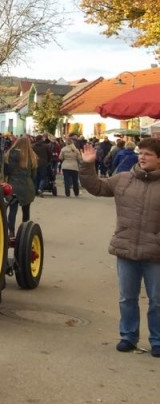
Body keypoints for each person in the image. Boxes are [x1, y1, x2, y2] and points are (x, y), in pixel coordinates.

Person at [78, 137, 160, 357]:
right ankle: (128, 336)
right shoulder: (123, 179)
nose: (142, 156)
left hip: (156, 253)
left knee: (157, 301)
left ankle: (158, 340)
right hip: (126, 248)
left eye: (148, 154)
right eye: (140, 152)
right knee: (127, 298)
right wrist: (87, 164)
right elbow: (96, 187)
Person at [2, 135, 36, 235]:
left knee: (13, 209)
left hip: (13, 185)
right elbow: (34, 174)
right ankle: (25, 232)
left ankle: (11, 231)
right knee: (26, 210)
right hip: (27, 185)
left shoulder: (9, 154)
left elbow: (6, 171)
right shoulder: (31, 156)